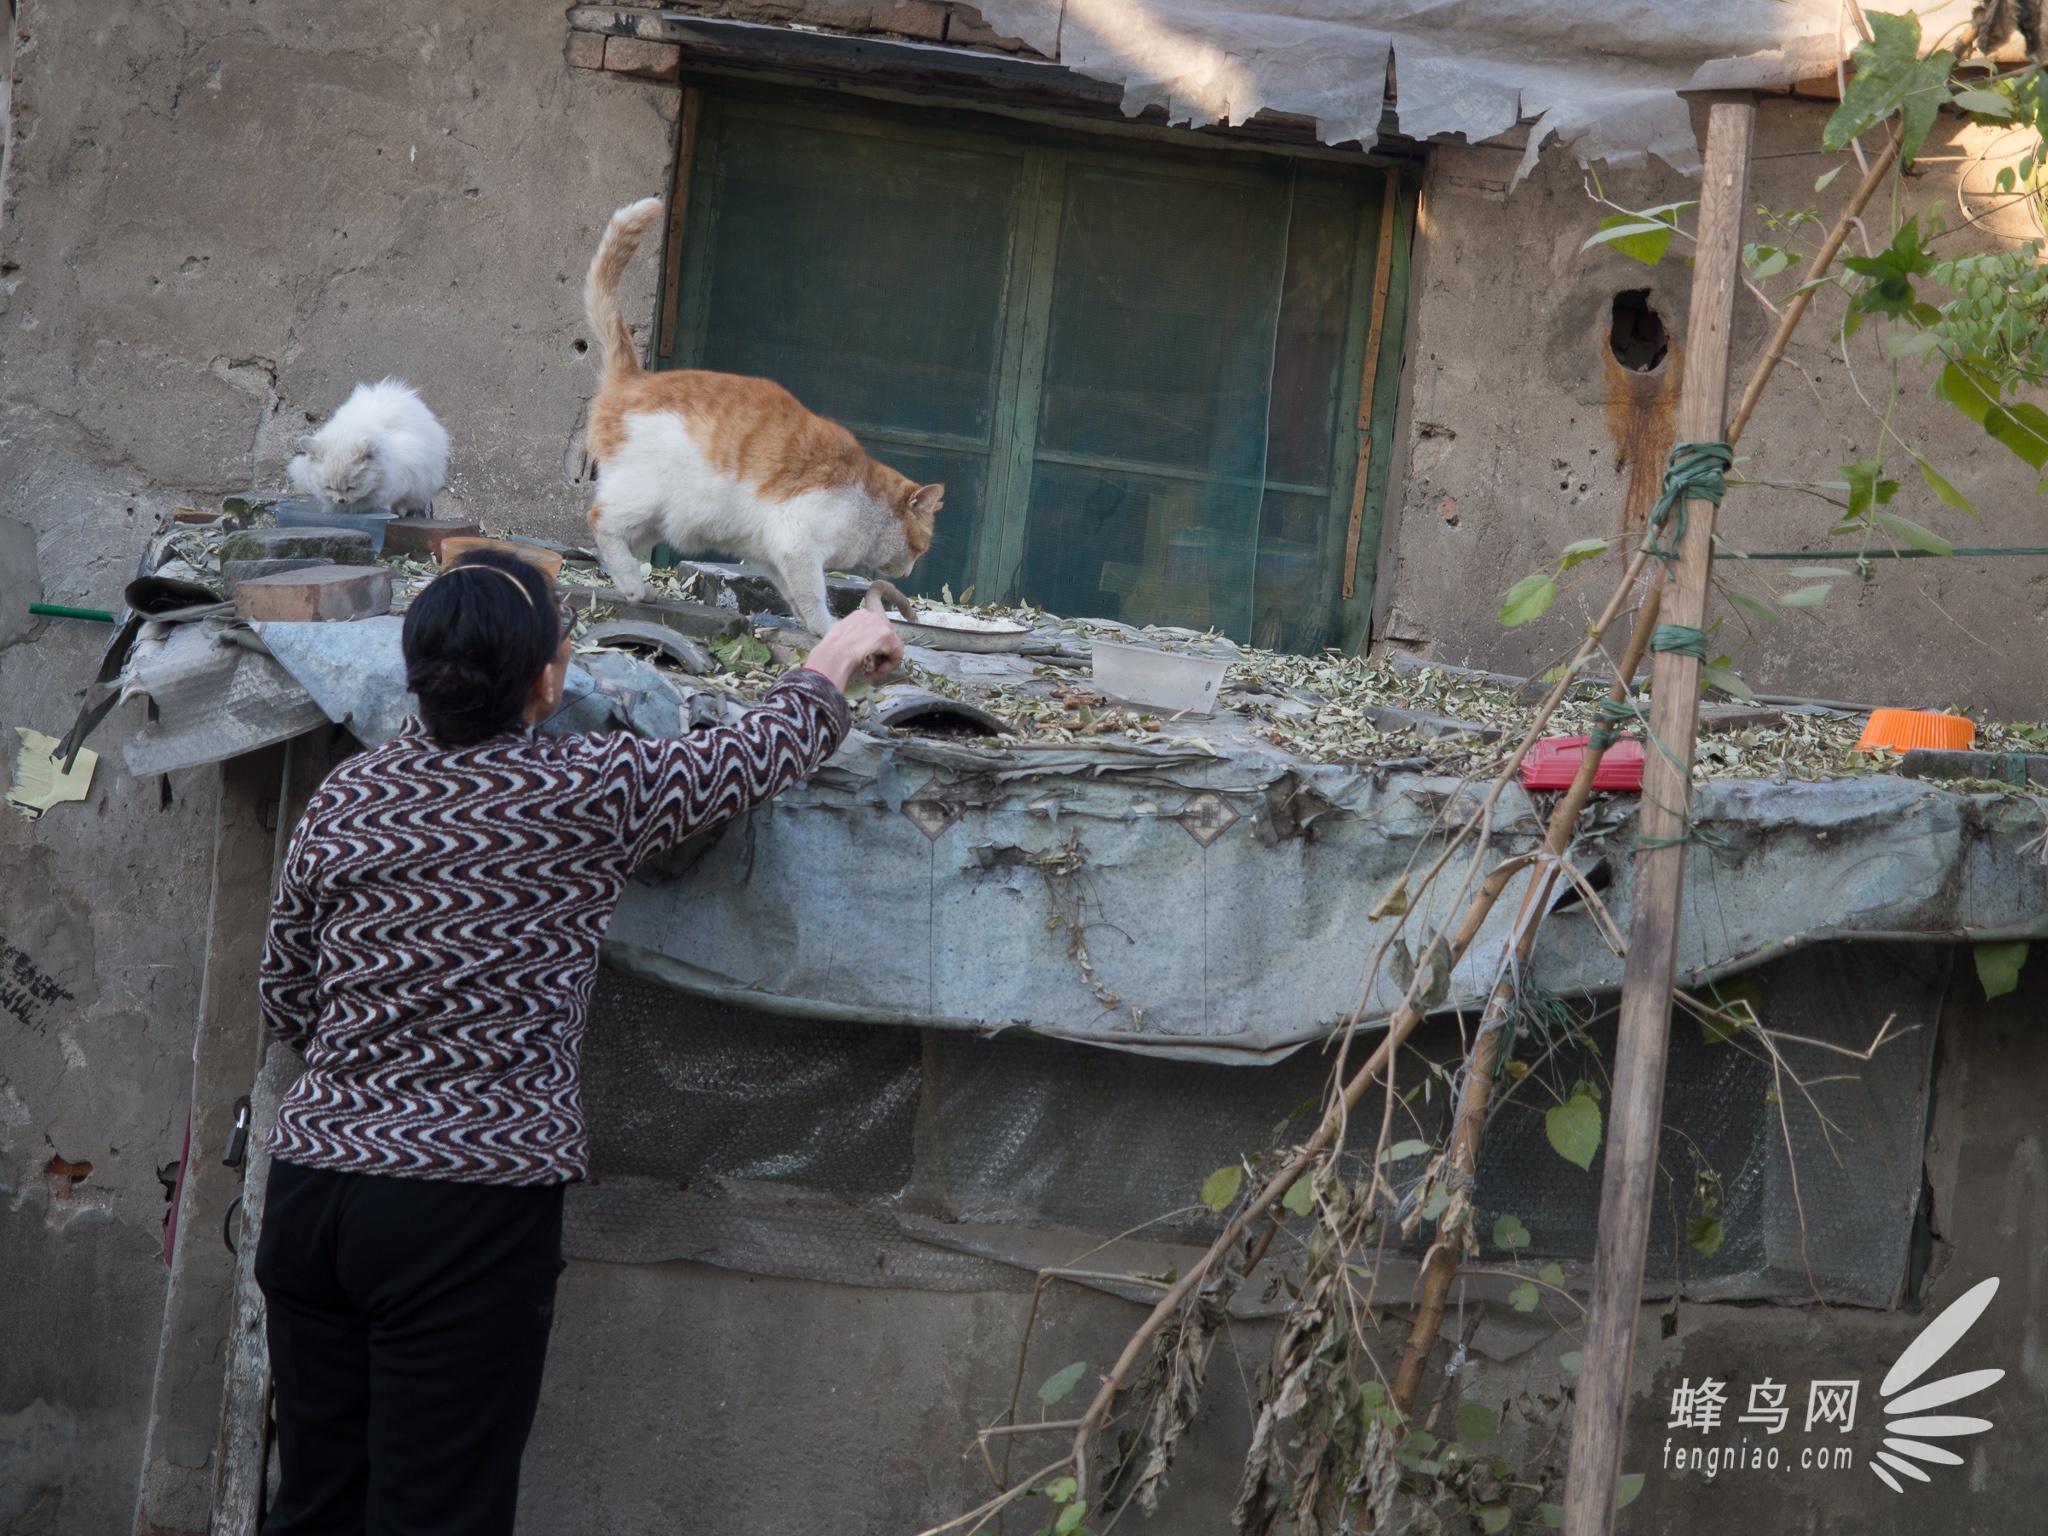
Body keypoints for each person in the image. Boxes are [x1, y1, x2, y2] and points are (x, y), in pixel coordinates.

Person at [252, 547, 901, 1534]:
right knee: (437, 1514)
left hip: (312, 1198)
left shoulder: (347, 798)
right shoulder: (581, 789)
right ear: (547, 678)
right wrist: (837, 654)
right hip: (459, 1214)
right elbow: (749, 755)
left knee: (315, 1506)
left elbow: (287, 999)